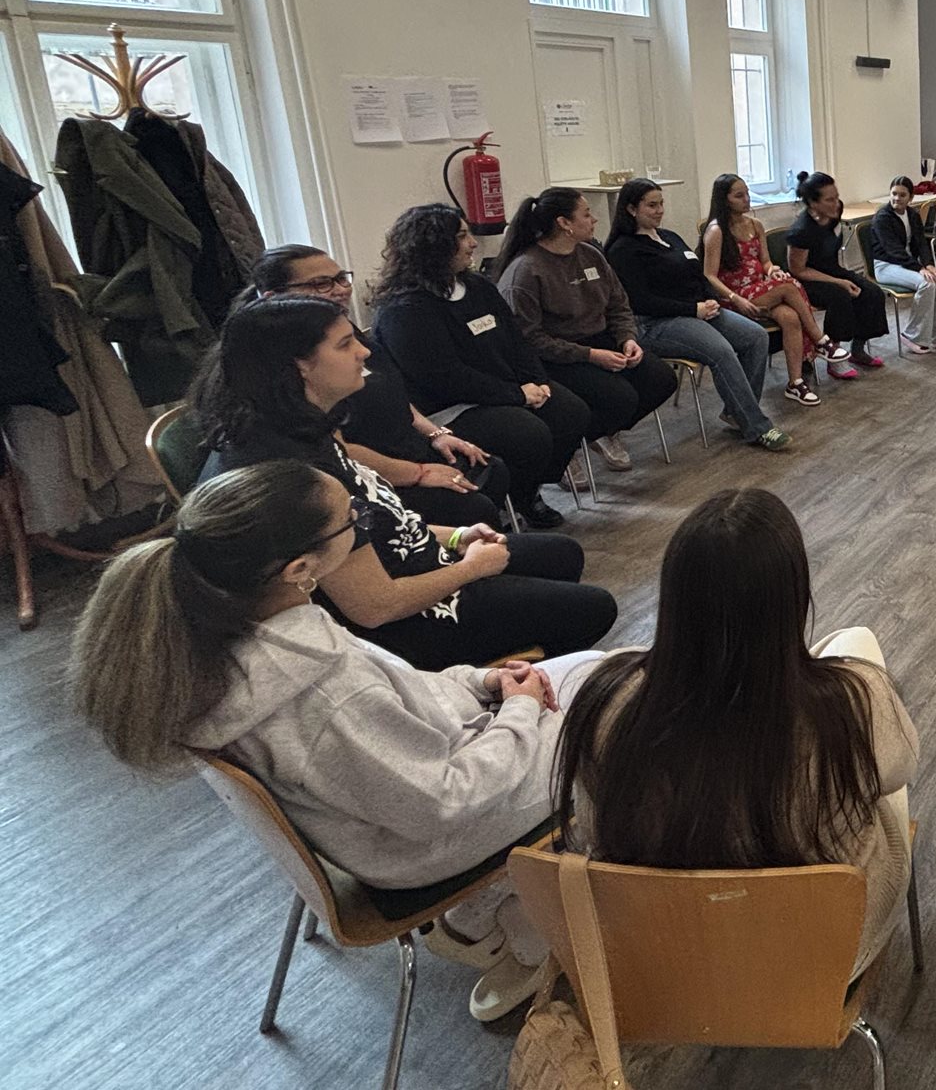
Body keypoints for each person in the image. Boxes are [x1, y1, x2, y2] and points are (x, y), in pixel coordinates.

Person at [70, 460, 604, 1020]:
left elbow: (406, 691)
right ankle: (530, 925)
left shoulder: (244, 638)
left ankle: (505, 905)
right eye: (356, 519)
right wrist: (519, 711)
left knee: (597, 670)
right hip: (427, 842)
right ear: (302, 568)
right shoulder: (325, 693)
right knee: (625, 708)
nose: (364, 522)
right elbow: (443, 802)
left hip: (400, 806)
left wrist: (483, 683)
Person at [553, 488, 917, 979]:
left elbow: (597, 828)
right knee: (861, 655)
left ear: (674, 597)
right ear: (793, 597)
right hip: (820, 955)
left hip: (664, 955)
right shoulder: (855, 701)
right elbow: (900, 770)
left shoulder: (605, 698)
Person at [192, 298, 617, 671]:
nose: (364, 352)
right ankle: (491, 691)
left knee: (561, 554)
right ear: (299, 365)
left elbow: (378, 522)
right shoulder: (291, 477)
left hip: (409, 564)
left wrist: (457, 537)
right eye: (345, 344)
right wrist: (471, 568)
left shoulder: (302, 426)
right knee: (592, 609)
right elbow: (375, 607)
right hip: (394, 627)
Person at [245, 244, 519, 529]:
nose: (340, 290)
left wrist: (436, 433)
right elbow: (337, 450)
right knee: (471, 506)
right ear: (274, 299)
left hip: (406, 446)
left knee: (490, 468)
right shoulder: (285, 370)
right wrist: (419, 473)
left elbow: (391, 390)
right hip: (369, 473)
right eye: (321, 284)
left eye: (341, 278)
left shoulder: (343, 330)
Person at [370, 204, 588, 528]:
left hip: (502, 390)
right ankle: (512, 500)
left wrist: (537, 381)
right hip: (449, 408)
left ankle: (525, 491)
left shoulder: (478, 287)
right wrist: (517, 395)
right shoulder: (405, 309)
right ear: (433, 245)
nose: (473, 243)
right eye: (462, 236)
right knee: (528, 434)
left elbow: (516, 341)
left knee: (571, 412)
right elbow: (445, 378)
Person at [494, 187, 677, 473]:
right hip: (555, 356)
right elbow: (530, 340)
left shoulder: (591, 255)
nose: (594, 220)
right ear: (564, 223)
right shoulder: (526, 270)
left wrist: (627, 338)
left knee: (661, 379)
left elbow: (618, 304)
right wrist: (591, 355)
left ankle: (596, 432)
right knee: (621, 397)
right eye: (587, 214)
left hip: (600, 340)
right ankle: (567, 447)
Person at [605, 178, 790, 453]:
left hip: (698, 311)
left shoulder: (670, 237)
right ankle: (757, 426)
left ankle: (736, 411)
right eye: (652, 205)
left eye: (661, 203)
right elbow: (641, 301)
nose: (659, 210)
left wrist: (711, 299)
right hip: (656, 322)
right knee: (721, 351)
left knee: (756, 337)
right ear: (632, 209)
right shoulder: (624, 250)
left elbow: (699, 274)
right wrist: (693, 309)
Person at [702, 173, 830, 408]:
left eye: (747, 193)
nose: (746, 199)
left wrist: (773, 271)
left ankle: (796, 382)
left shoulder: (755, 225)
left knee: (790, 317)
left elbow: (766, 262)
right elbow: (709, 275)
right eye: (739, 196)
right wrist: (735, 298)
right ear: (724, 199)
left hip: (760, 290)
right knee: (789, 286)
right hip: (734, 296)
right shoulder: (717, 230)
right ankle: (819, 339)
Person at [785, 171, 888, 378]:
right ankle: (835, 356)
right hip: (806, 279)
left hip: (831, 268)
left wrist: (841, 278)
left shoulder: (836, 211)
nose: (836, 203)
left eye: (836, 197)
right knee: (840, 296)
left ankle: (857, 350)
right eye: (829, 200)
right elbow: (798, 270)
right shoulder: (801, 230)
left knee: (872, 293)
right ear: (813, 203)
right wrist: (839, 282)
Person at [867, 176, 936, 355]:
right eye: (894, 194)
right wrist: (919, 268)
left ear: (910, 198)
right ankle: (912, 335)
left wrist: (929, 264)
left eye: (902, 195)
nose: (897, 198)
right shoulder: (882, 218)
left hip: (907, 264)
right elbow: (893, 251)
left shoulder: (912, 214)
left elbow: (921, 242)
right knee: (927, 283)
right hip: (886, 266)